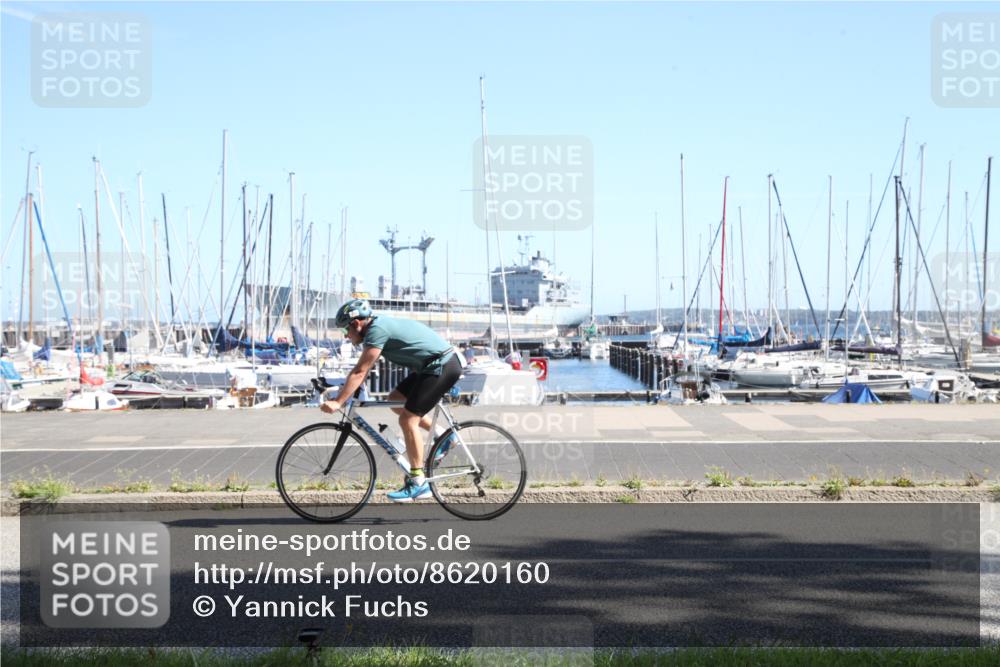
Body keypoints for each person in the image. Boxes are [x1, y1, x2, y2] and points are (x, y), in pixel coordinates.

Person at [320, 299, 462, 502]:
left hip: (441, 365)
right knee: (395, 399)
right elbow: (361, 371)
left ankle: (419, 483)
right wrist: (342, 391)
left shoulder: (376, 331)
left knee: (408, 420)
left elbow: (360, 371)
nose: (346, 336)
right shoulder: (376, 327)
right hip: (431, 366)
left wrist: (339, 402)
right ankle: (443, 435)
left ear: (356, 324)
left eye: (345, 330)